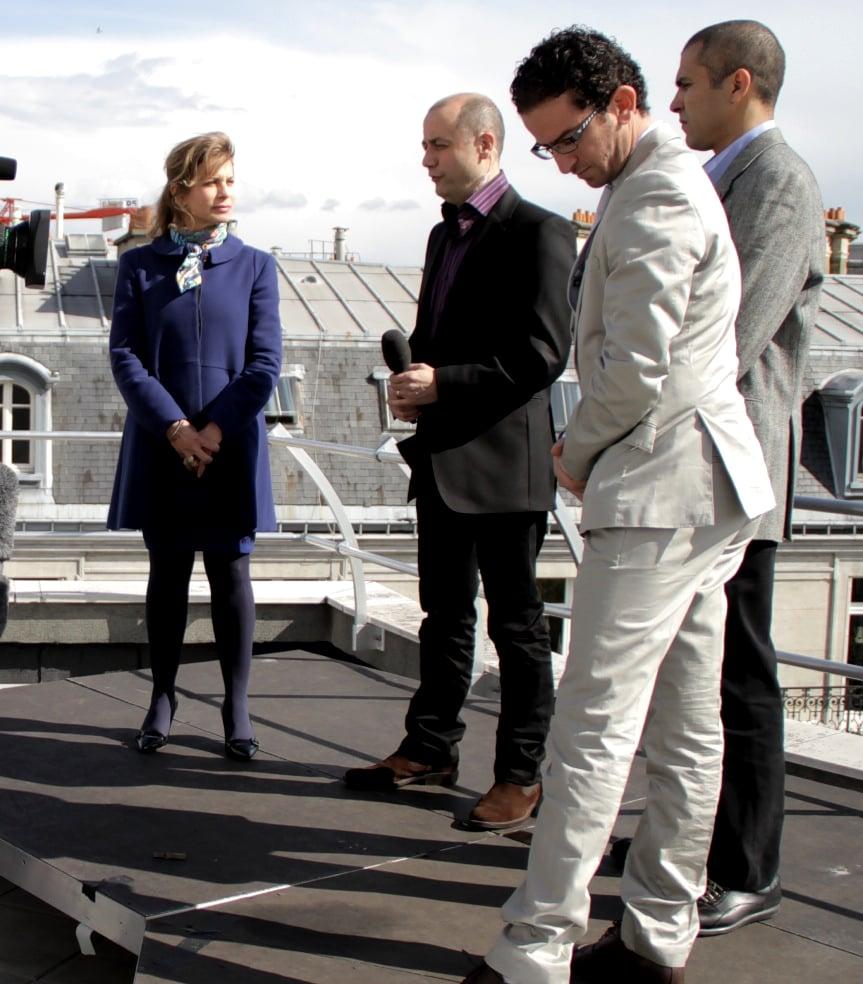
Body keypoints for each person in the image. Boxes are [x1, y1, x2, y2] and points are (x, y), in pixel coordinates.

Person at [461, 28, 774, 984]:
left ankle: (536, 945)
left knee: (593, 724)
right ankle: (654, 938)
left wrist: (573, 453)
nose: (563, 162)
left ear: (624, 103)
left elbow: (633, 368)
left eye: (570, 139)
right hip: (703, 489)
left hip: (655, 490)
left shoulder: (654, 197)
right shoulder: (664, 187)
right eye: (547, 149)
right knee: (686, 722)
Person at [344, 94, 573, 834]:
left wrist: (445, 383)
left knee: (516, 628)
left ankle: (519, 776)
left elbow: (542, 356)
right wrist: (416, 389)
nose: (426, 159)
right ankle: (430, 748)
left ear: (483, 143)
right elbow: (430, 337)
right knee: (443, 614)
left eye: (437, 145)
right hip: (442, 455)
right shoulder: (444, 237)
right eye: (424, 145)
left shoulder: (539, 232)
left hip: (506, 467)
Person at [668, 18, 825, 937]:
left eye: (687, 83)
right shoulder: (721, 176)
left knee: (740, 676)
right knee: (694, 670)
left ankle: (748, 867)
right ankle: (690, 842)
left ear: (738, 83)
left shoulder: (778, 182)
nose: (675, 99)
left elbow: (732, 332)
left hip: (738, 471)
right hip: (702, 462)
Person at [107, 131, 283, 760]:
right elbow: (125, 356)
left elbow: (265, 365)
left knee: (231, 571)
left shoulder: (258, 265)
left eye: (231, 179)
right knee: (169, 572)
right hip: (164, 444)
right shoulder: (139, 265)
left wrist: (213, 429)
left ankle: (236, 706)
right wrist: (176, 427)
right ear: (181, 190)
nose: (225, 191)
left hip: (230, 446)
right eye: (213, 180)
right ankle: (162, 695)